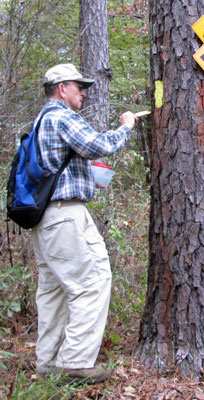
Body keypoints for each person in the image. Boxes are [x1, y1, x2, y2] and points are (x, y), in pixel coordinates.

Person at [31, 63, 137, 384]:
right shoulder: (62, 116)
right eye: (79, 86)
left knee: (54, 291)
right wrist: (126, 126)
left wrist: (89, 177)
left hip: (47, 219)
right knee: (92, 283)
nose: (84, 92)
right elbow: (99, 146)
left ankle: (47, 363)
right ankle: (74, 365)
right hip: (65, 215)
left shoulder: (42, 120)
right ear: (62, 88)